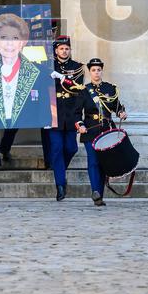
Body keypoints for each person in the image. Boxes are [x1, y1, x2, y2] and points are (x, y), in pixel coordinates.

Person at [0, 13, 54, 168]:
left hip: (22, 112)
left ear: (22, 42)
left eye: (15, 38)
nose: (9, 43)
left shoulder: (38, 70)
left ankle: (5, 148)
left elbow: (44, 98)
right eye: (4, 37)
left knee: (12, 127)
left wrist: (47, 119)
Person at [76, 57, 127, 206]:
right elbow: (76, 112)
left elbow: (117, 106)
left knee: (103, 162)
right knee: (93, 161)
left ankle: (100, 196)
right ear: (90, 72)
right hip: (90, 130)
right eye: (93, 70)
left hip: (107, 129)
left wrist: (121, 112)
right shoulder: (84, 90)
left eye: (99, 70)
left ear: (102, 71)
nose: (96, 72)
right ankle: (95, 191)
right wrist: (80, 125)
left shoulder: (110, 89)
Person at [47, 35, 86, 201]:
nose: (64, 51)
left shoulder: (77, 67)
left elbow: (79, 89)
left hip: (71, 113)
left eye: (67, 48)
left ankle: (60, 171)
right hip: (53, 113)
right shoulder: (48, 66)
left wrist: (62, 78)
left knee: (71, 148)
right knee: (56, 148)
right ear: (56, 50)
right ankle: (60, 185)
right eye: (61, 48)